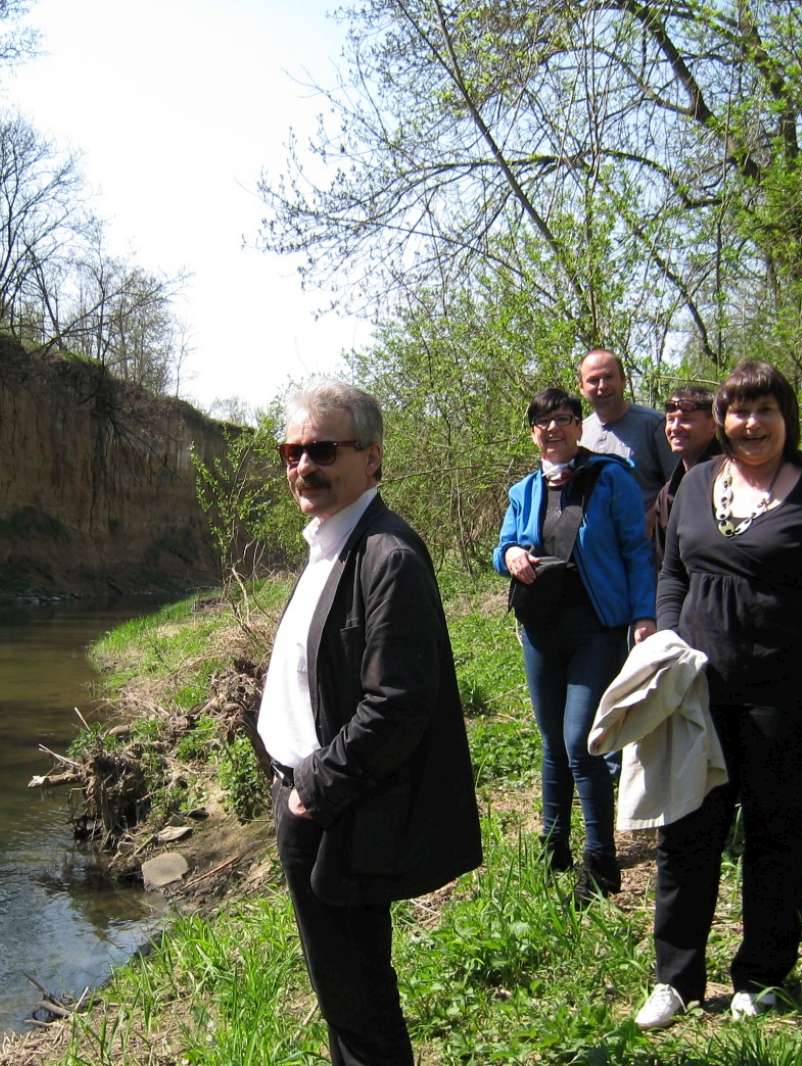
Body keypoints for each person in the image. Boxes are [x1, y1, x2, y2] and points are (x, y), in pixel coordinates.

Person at [634, 361, 802, 1030]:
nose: (750, 424)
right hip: (700, 695)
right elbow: (673, 574)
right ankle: (675, 979)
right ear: (721, 421)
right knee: (687, 835)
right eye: (738, 411)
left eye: (764, 410)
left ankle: (762, 977)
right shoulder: (695, 486)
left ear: (786, 417)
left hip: (794, 694)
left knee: (776, 834)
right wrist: (668, 643)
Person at [257, 381, 482, 1064]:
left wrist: (312, 791)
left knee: (358, 1002)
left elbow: (397, 704)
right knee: (341, 993)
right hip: (310, 796)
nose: (304, 465)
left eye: (323, 449)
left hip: (337, 808)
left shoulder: (389, 556)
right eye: (292, 452)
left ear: (372, 458)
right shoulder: (331, 542)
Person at [493, 388, 657, 902]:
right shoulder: (524, 490)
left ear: (578, 426)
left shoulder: (610, 478)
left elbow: (636, 549)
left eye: (563, 419)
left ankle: (601, 861)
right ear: (533, 434)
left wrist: (645, 614)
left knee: (581, 742)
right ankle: (554, 847)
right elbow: (502, 547)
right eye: (542, 423)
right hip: (541, 629)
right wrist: (512, 554)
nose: (553, 429)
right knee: (551, 742)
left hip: (596, 628)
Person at [578, 349, 677, 514]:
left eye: (608, 377)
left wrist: (650, 521)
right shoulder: (579, 433)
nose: (602, 386)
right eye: (593, 380)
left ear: (623, 380)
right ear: (581, 387)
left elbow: (677, 485)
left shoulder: (655, 425)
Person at [646, 384, 721, 567]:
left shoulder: (732, 478)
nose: (675, 428)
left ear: (713, 425)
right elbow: (665, 566)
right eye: (670, 420)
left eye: (686, 420)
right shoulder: (668, 494)